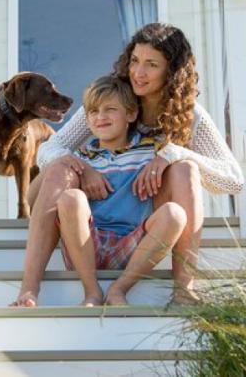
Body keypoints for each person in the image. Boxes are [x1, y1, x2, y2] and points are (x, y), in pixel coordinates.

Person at [11, 22, 244, 307]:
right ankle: (29, 289)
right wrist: (85, 170)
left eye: (151, 65)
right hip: (69, 201)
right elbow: (51, 149)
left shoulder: (190, 115)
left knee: (186, 168)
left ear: (172, 72)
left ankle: (184, 287)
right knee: (61, 165)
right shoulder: (113, 100)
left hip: (139, 214)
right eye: (134, 61)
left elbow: (233, 179)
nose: (138, 73)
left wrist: (173, 153)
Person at [57, 75, 187, 306]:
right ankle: (91, 292)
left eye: (110, 109)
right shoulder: (81, 159)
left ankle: (119, 289)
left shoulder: (151, 151)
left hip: (132, 244)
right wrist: (78, 169)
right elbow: (38, 190)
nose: (101, 117)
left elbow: (182, 154)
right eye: (94, 111)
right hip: (88, 244)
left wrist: (165, 157)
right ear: (86, 120)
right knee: (71, 198)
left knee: (175, 214)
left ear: (131, 114)